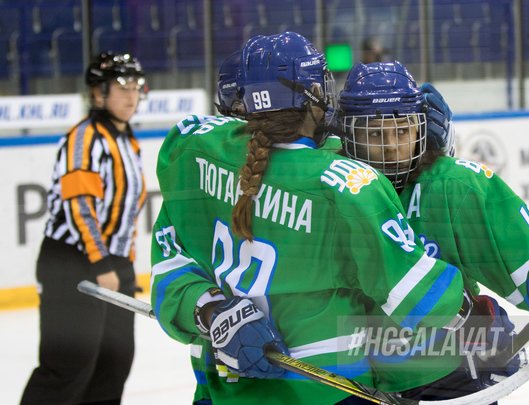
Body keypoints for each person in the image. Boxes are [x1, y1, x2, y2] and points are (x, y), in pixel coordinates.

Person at [150, 32, 474, 405]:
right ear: (314, 95)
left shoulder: (192, 153)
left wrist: (210, 310)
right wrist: (468, 312)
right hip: (328, 389)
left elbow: (169, 266)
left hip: (225, 390)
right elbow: (420, 300)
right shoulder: (347, 184)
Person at [337, 61, 529, 401]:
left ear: (422, 130)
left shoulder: (455, 187)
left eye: (401, 131)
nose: (390, 146)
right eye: (374, 134)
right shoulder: (328, 186)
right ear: (348, 135)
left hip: (444, 370)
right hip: (347, 371)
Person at [21, 51, 148, 405]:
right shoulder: (85, 139)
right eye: (122, 87)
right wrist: (102, 263)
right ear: (97, 93)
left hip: (114, 265)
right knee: (69, 365)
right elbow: (80, 206)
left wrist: (123, 265)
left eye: (136, 87)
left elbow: (125, 212)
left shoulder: (126, 140)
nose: (131, 96)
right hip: (73, 263)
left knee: (114, 364)